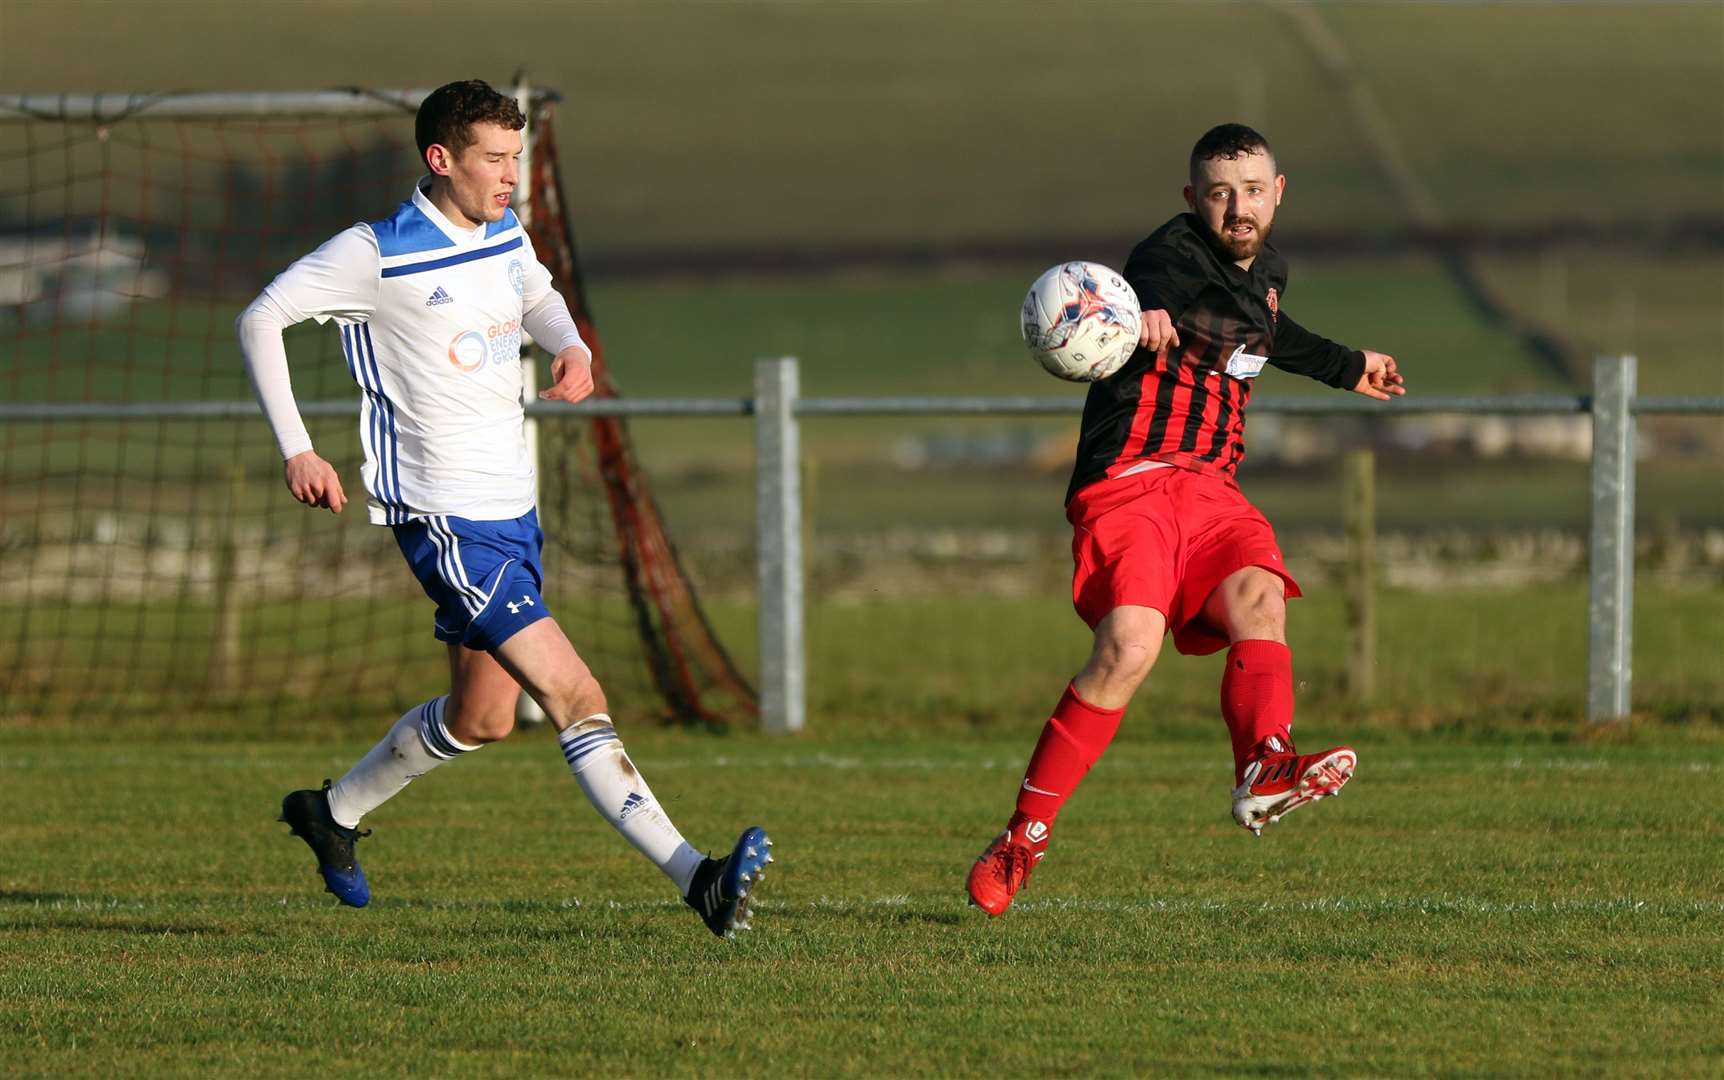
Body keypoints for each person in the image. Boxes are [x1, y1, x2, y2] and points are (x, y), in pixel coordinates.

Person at [235, 79, 771, 937]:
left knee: (480, 719)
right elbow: (262, 318)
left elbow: (538, 296)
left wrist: (571, 347)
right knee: (576, 692)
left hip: (512, 514)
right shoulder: (377, 252)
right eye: (493, 159)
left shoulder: (505, 231)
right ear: (440, 159)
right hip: (447, 522)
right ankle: (697, 878)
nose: (509, 175)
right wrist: (298, 445)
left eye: (516, 158)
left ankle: (329, 813)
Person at [967, 123, 1404, 917]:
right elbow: (1152, 283)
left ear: (1278, 192)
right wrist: (1149, 313)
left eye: (1251, 190)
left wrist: (1350, 368)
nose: (1236, 207)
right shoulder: (1167, 255)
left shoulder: (1267, 272)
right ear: (1192, 199)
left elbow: (1273, 334)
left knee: (1261, 601)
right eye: (1218, 192)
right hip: (1129, 484)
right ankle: (1023, 837)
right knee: (1127, 651)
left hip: (1213, 492)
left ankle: (1264, 767)